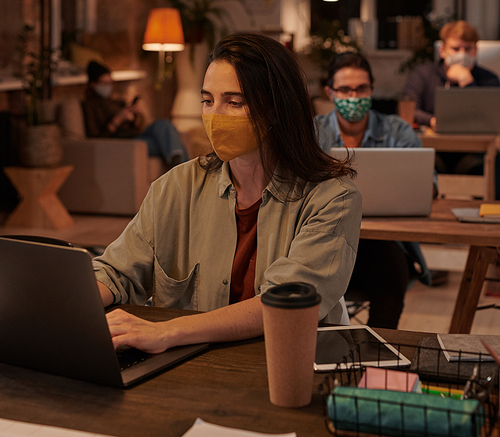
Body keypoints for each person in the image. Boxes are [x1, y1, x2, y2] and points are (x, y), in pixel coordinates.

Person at [92, 34, 361, 354]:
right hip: (192, 367)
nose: (215, 115)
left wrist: (166, 333)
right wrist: (67, 304)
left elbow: (284, 304)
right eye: (208, 101)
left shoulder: (332, 198)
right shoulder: (175, 187)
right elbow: (115, 272)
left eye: (234, 102)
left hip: (286, 367)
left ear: (276, 109)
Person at [316, 51, 432, 329]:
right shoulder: (311, 134)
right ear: (330, 93)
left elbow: (428, 183)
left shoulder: (398, 130)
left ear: (372, 89)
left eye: (361, 89)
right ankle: (323, 351)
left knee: (392, 270)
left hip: (382, 245)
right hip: (326, 240)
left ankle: (377, 351)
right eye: (345, 89)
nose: (354, 96)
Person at [83, 60, 188, 167]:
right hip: (121, 142)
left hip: (135, 136)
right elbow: (96, 138)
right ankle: (185, 175)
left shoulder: (117, 102)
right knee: (172, 143)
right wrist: (118, 119)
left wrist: (135, 115)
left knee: (164, 124)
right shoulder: (90, 106)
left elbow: (135, 127)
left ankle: (182, 172)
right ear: (93, 84)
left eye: (110, 83)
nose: (108, 87)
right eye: (104, 83)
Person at [401, 20, 499, 130]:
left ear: (475, 51)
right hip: (433, 139)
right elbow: (409, 110)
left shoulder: (490, 79)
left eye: (468, 49)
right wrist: (434, 121)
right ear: (442, 50)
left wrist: (467, 82)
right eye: (455, 49)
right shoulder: (422, 75)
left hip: (477, 141)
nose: (462, 54)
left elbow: (492, 117)